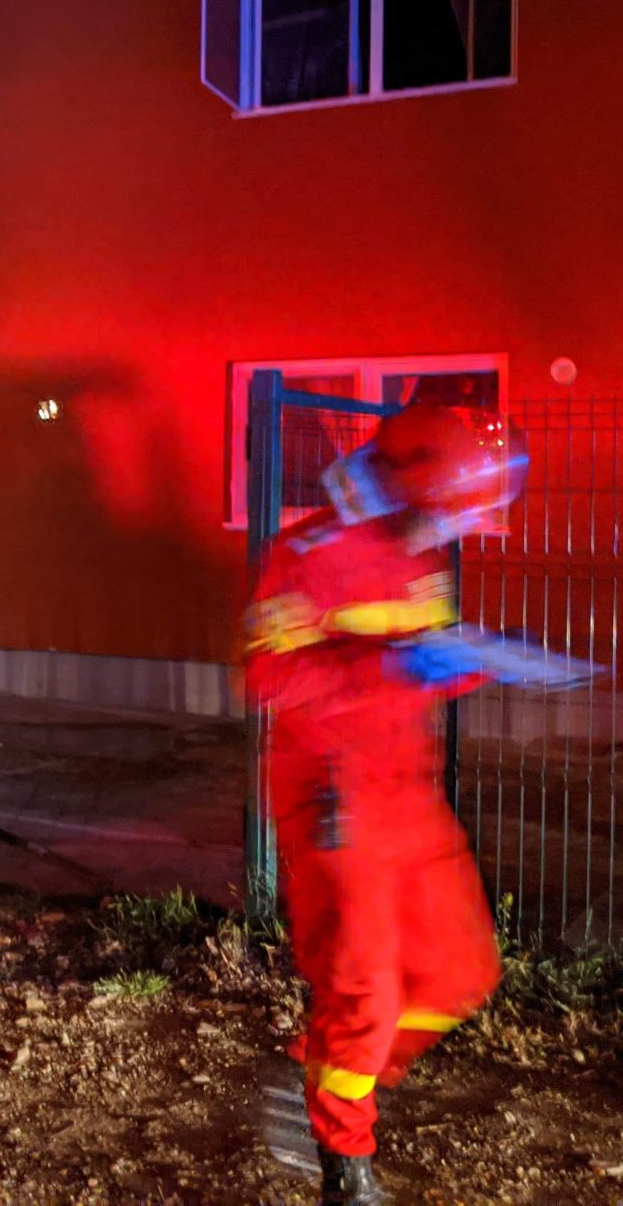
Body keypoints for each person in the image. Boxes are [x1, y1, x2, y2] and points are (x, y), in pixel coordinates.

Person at [244, 402, 527, 1205]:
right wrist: (394, 667)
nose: (464, 526)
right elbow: (269, 677)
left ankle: (326, 1073)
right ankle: (343, 1157)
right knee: (366, 993)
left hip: (408, 793)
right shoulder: (308, 553)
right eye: (459, 509)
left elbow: (419, 657)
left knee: (459, 974)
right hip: (334, 796)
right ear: (415, 490)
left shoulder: (420, 552)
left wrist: (470, 659)